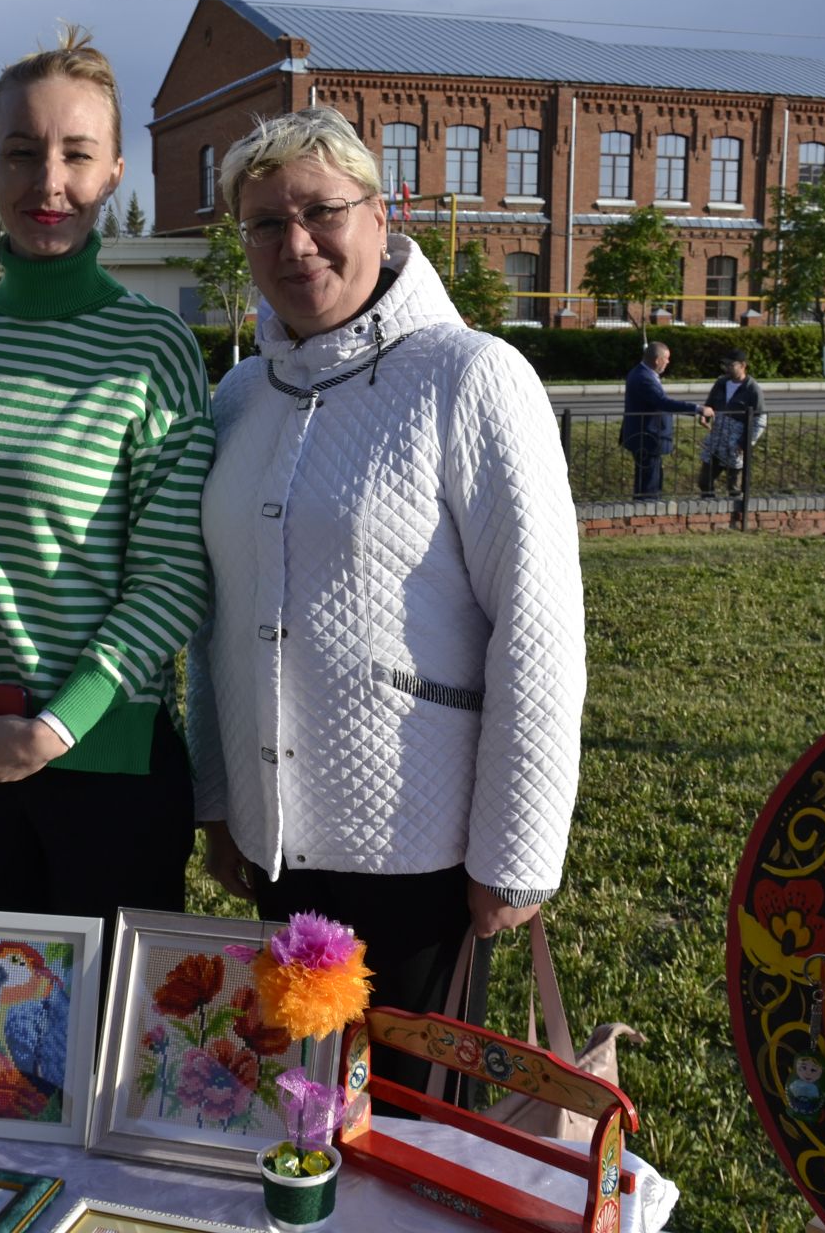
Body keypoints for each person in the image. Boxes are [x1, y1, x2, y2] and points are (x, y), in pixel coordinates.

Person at [186, 107, 585, 1093]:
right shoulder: (238, 398)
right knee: (299, 1105)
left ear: (382, 211)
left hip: (424, 859)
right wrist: (220, 803)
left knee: (415, 1132)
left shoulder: (472, 377)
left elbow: (538, 627)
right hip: (280, 850)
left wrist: (517, 853)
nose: (296, 243)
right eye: (265, 225)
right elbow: (213, 619)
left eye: (321, 211)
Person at [0, 28, 214, 935]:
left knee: (109, 1058)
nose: (46, 181)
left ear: (113, 175)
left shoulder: (153, 349)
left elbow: (172, 575)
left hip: (106, 772)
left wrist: (55, 730)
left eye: (75, 154)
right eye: (21, 153)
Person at [619, 341, 711, 501]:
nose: (668, 362)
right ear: (657, 360)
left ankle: (645, 510)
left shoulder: (640, 372)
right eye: (666, 359)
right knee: (649, 487)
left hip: (644, 436)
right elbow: (663, 402)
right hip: (647, 437)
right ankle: (646, 514)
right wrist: (698, 409)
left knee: (648, 481)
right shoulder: (644, 378)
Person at [697, 348, 766, 497]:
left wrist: (745, 442)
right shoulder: (721, 383)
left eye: (731, 365)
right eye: (725, 365)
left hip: (735, 445)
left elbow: (760, 421)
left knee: (734, 487)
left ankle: (736, 517)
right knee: (704, 481)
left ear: (743, 365)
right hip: (716, 441)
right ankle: (709, 509)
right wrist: (705, 415)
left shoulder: (752, 389)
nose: (727, 368)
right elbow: (710, 404)